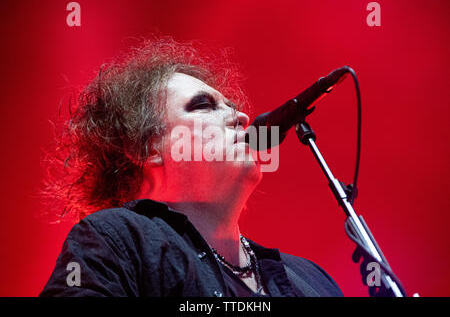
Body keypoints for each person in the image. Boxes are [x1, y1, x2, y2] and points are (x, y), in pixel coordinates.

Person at [39, 36, 343, 297]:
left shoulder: (311, 279)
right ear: (144, 148)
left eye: (233, 107)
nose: (242, 118)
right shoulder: (114, 240)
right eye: (203, 105)